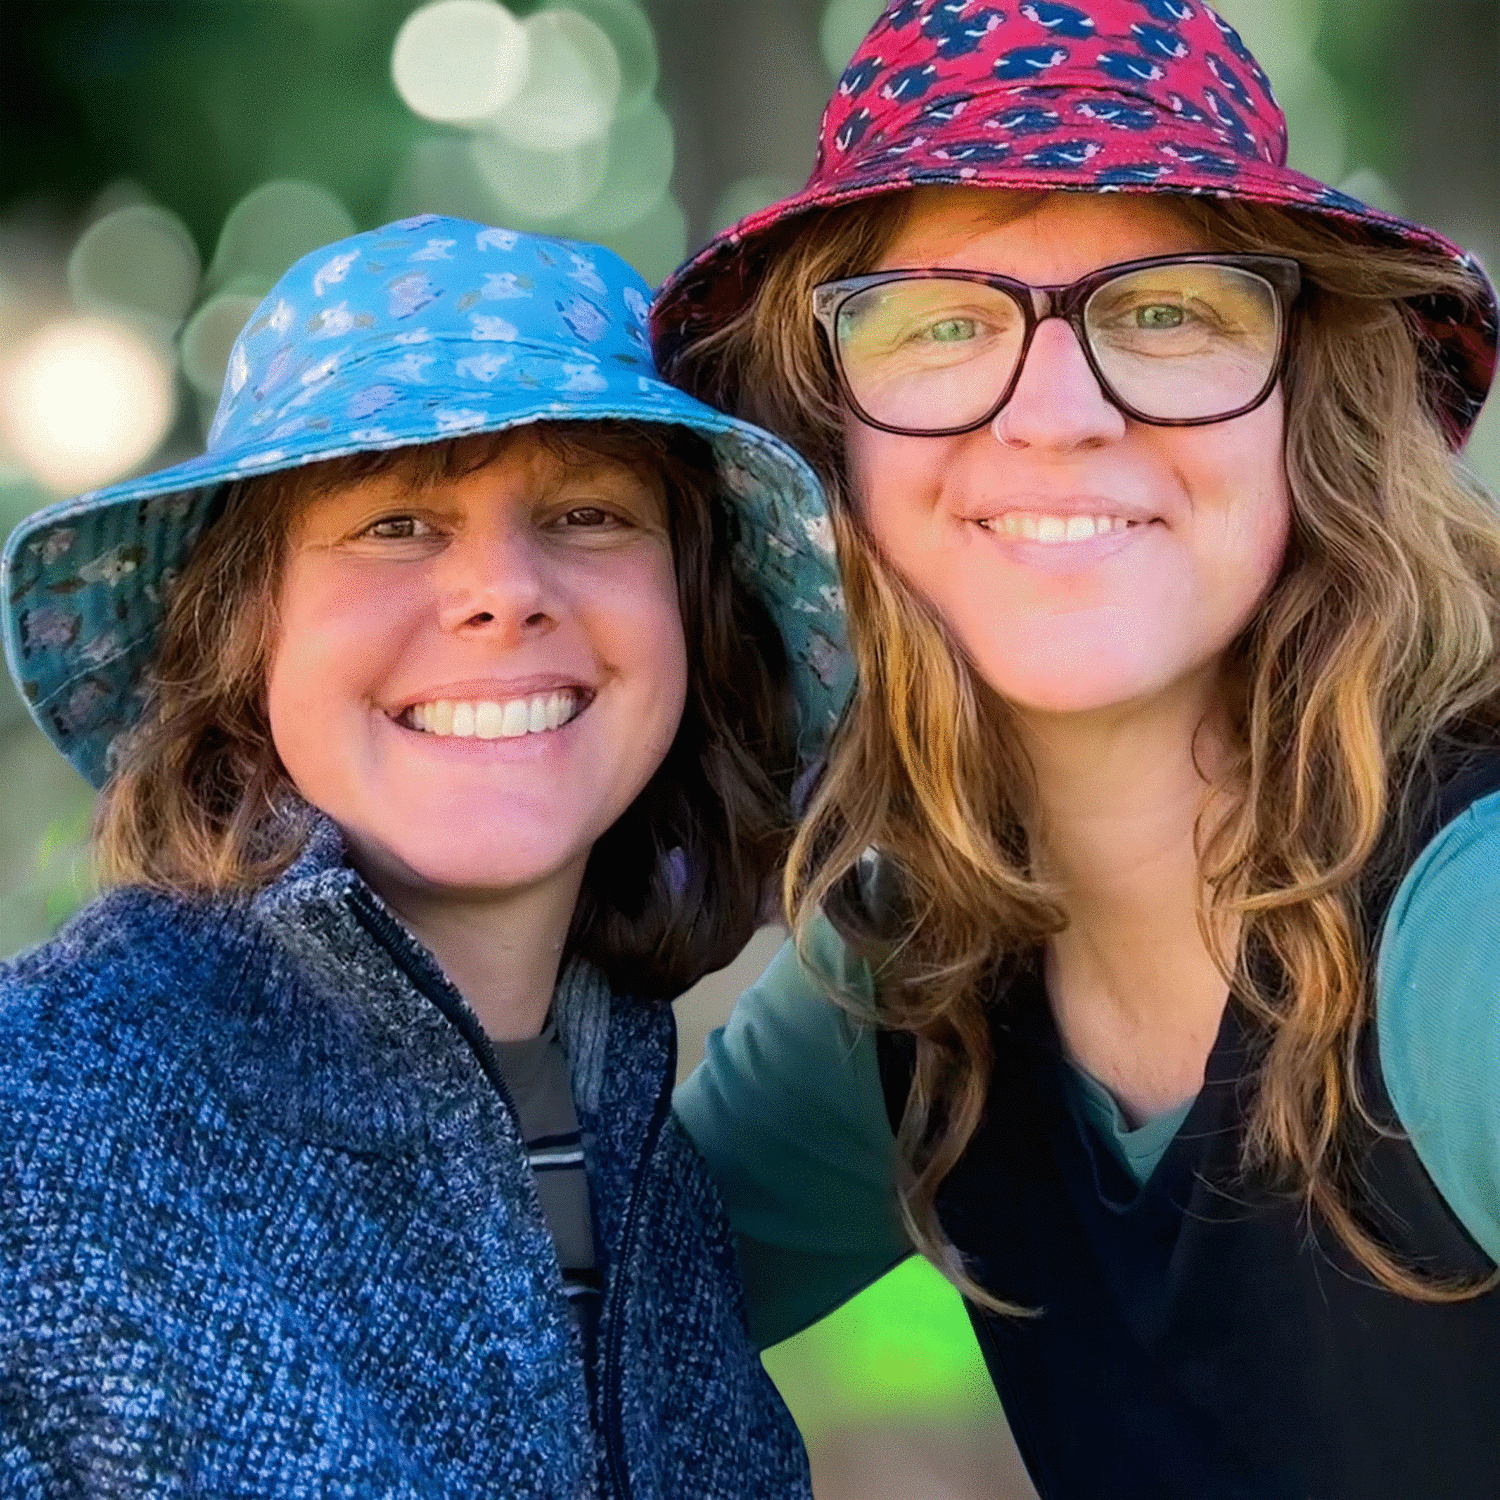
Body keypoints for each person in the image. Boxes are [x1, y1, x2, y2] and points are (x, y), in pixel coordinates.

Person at [654, 3, 1500, 1497]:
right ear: (827, 437)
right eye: (941, 322)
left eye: (1166, 310)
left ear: (1314, 398)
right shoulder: (916, 974)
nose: (1058, 415)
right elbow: (558, 1319)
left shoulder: (1471, 942)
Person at [0, 214, 828, 1498]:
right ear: (243, 627)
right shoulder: (41, 1122)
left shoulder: (648, 1166)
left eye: (590, 511)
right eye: (395, 521)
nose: (503, 589)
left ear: (694, 616)